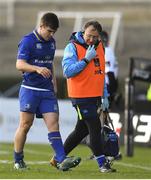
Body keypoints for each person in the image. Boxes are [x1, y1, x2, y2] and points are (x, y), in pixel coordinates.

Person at [14, 12, 81, 171]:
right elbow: (19, 64)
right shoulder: (28, 41)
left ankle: (61, 159)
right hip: (30, 89)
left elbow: (50, 64)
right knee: (25, 125)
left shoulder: (51, 42)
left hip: (47, 91)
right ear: (41, 26)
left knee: (53, 125)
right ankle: (18, 160)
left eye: (53, 32)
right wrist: (36, 69)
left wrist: (54, 83)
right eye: (49, 31)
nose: (51, 35)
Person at [60, 20, 116, 173]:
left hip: (95, 95)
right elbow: (68, 72)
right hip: (80, 96)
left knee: (81, 130)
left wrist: (104, 94)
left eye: (95, 37)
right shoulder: (72, 47)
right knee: (95, 127)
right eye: (89, 36)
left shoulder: (100, 46)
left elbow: (100, 71)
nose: (91, 40)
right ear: (83, 32)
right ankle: (102, 164)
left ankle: (58, 158)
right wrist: (85, 59)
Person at [100, 30, 119, 106]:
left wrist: (111, 93)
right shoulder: (108, 51)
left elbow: (110, 73)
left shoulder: (106, 52)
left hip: (106, 87)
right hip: (106, 86)